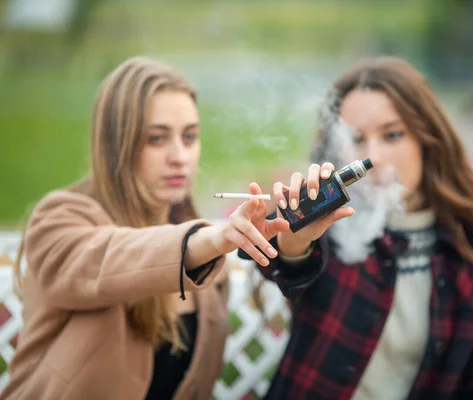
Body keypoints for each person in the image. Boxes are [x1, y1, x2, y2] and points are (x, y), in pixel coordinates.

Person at [240, 56, 473, 399]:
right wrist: (294, 241)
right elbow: (290, 266)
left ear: (427, 139)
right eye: (356, 139)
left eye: (392, 135)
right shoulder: (331, 228)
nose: (373, 157)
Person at [1, 56, 288, 400]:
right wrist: (210, 239)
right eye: (156, 138)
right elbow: (107, 258)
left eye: (190, 136)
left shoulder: (210, 266)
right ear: (115, 144)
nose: (179, 156)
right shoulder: (60, 219)